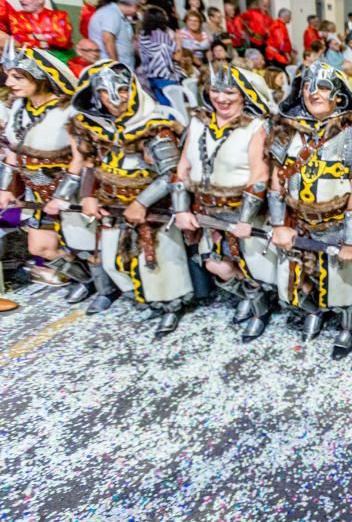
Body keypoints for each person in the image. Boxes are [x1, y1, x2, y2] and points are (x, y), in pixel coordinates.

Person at [67, 61, 193, 333]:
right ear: (96, 95)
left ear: (132, 89)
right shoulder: (96, 127)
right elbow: (91, 163)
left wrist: (141, 202)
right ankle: (145, 300)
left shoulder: (154, 125)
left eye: (123, 89)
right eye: (105, 92)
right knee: (115, 262)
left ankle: (169, 306)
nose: (115, 98)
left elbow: (171, 174)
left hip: (152, 208)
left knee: (159, 267)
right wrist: (89, 195)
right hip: (111, 206)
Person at [268, 62, 352, 356]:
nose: (313, 93)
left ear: (338, 96)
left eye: (323, 87)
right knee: (299, 279)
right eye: (307, 86)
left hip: (338, 226)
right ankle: (313, 310)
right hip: (298, 223)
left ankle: (347, 324)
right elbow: (275, 180)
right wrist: (278, 225)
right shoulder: (287, 130)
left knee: (343, 286)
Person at [173, 65, 278, 340]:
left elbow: (259, 176)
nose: (222, 98)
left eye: (230, 91)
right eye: (216, 90)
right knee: (215, 264)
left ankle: (259, 308)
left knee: (251, 265)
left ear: (244, 95)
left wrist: (245, 219)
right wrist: (181, 208)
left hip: (244, 211)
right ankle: (250, 298)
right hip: (207, 210)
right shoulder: (197, 122)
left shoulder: (255, 126)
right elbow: (182, 167)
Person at [0, 47, 92, 288]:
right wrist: (6, 188)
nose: (9, 82)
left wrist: (62, 197)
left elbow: (81, 156)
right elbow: (13, 151)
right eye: (8, 76)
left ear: (39, 77)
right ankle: (86, 280)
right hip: (36, 192)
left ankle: (104, 285)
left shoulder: (68, 111)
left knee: (89, 245)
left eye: (17, 77)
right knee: (41, 248)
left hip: (72, 190)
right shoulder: (19, 107)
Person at [8, 0, 74, 61]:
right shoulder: (16, 17)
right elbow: (18, 38)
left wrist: (33, 36)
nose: (20, 0)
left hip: (63, 57)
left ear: (40, 0)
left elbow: (63, 39)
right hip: (32, 58)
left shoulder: (59, 15)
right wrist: (41, 42)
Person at [88, 0, 140, 70]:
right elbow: (108, 40)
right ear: (133, 5)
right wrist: (116, 66)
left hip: (125, 66)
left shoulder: (120, 14)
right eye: (137, 7)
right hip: (113, 68)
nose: (137, 10)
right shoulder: (111, 13)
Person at [137, 7, 179, 104]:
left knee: (162, 105)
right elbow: (174, 55)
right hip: (165, 76)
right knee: (172, 105)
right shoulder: (162, 35)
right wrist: (178, 41)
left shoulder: (142, 35)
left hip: (151, 76)